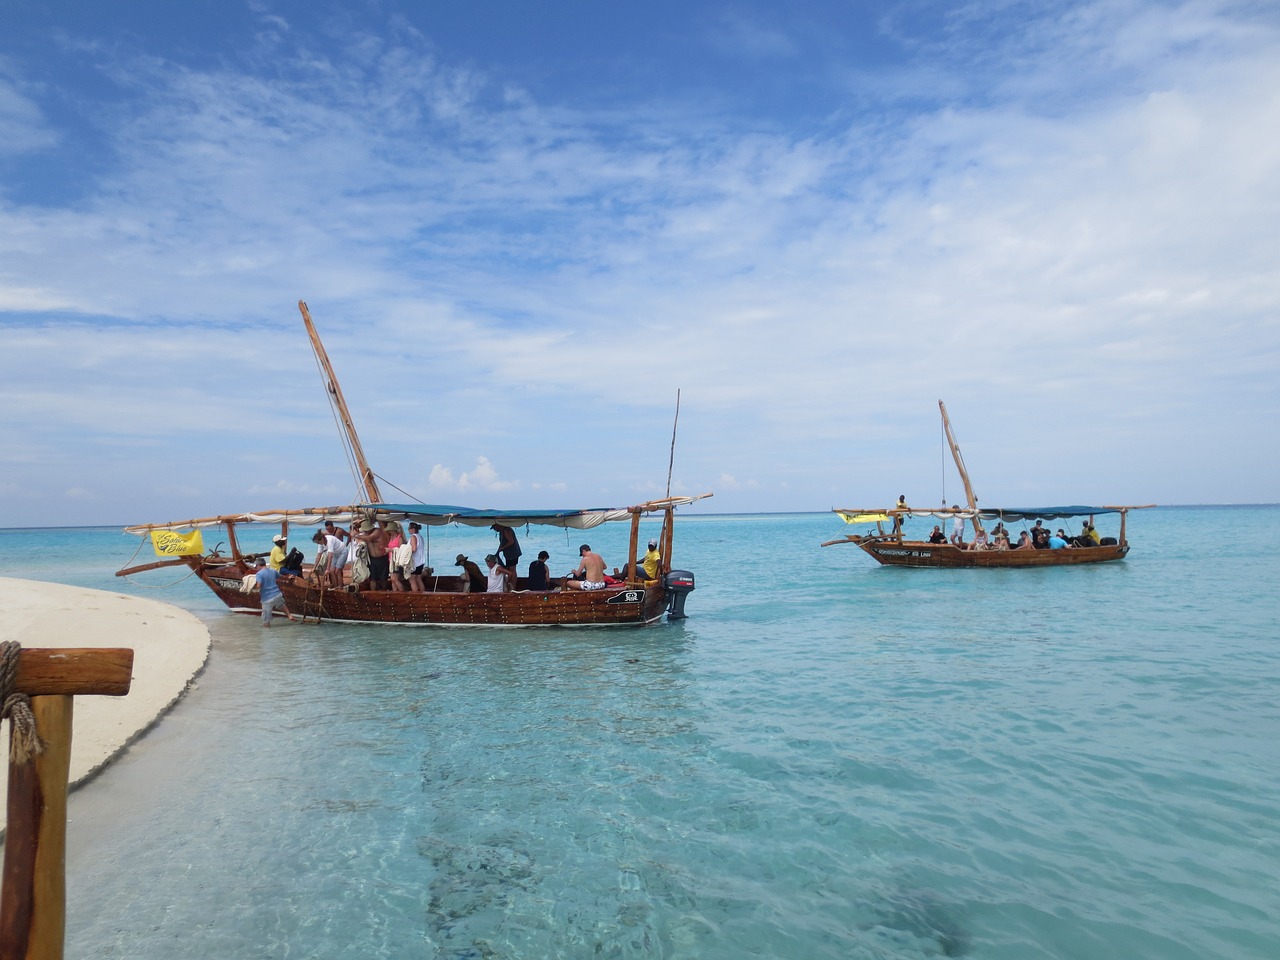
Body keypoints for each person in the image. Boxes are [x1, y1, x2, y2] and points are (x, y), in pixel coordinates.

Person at [253, 557, 293, 627]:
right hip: (277, 594)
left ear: (259, 565)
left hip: (267, 598)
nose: (256, 568)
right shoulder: (272, 571)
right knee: (281, 605)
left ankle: (267, 634)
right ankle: (289, 615)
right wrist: (288, 577)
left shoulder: (259, 574)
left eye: (256, 566)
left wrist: (253, 588)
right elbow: (281, 577)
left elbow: (259, 586)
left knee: (266, 621)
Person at [352, 519, 389, 590]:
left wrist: (356, 536)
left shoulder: (377, 531)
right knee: (373, 578)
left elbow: (369, 538)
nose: (365, 531)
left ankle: (384, 591)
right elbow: (354, 528)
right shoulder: (365, 533)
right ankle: (373, 591)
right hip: (372, 558)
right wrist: (356, 524)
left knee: (383, 577)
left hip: (382, 557)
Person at [406, 522, 428, 592]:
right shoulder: (420, 536)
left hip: (415, 562)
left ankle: (415, 595)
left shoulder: (413, 537)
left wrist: (405, 553)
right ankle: (422, 594)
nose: (408, 530)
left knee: (412, 579)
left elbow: (414, 549)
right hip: (421, 561)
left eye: (409, 528)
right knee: (418, 579)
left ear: (412, 529)